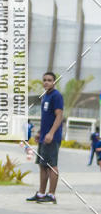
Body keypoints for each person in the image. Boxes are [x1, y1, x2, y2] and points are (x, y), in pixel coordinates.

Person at [26, 71, 64, 204]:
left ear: (54, 82)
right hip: (44, 137)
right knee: (42, 165)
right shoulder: (45, 96)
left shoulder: (56, 96)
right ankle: (41, 193)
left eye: (49, 80)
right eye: (44, 80)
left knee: (52, 165)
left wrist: (51, 133)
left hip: (52, 137)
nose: (46, 82)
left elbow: (59, 116)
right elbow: (46, 118)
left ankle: (51, 195)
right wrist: (40, 132)